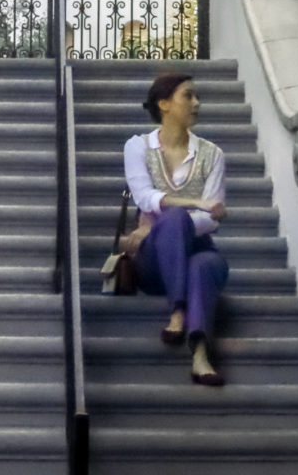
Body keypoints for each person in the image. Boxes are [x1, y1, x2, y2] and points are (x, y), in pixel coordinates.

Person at [122, 72, 229, 386]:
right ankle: (178, 309)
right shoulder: (138, 147)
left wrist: (181, 220)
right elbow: (143, 196)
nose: (196, 103)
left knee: (206, 263)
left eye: (197, 97)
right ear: (164, 103)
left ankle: (200, 356)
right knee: (174, 217)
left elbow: (211, 219)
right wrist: (194, 203)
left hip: (199, 248)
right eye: (188, 96)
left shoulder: (213, 154)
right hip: (153, 261)